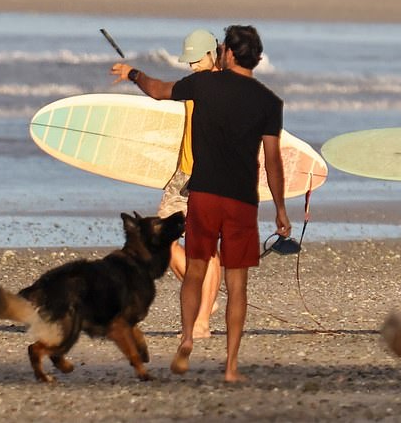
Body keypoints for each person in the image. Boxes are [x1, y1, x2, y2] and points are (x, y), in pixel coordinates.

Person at [111, 25, 291, 382]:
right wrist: (282, 210)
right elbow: (273, 161)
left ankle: (188, 338)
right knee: (237, 285)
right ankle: (230, 367)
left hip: (204, 195)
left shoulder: (203, 86)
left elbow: (158, 91)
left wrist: (133, 73)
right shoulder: (269, 102)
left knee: (194, 271)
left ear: (229, 54)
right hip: (241, 200)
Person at [158, 29, 222, 339]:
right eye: (189, 61)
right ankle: (204, 300)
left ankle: (202, 323)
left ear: (213, 55)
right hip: (183, 173)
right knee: (160, 240)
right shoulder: (196, 82)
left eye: (197, 60)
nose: (192, 66)